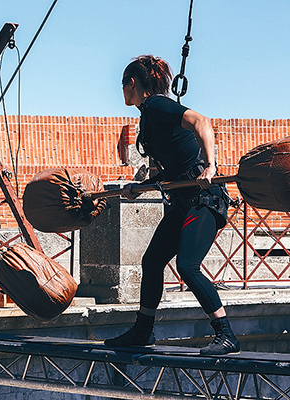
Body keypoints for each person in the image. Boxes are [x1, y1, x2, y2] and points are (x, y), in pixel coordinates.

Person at [104, 55, 239, 355]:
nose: (122, 91)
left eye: (123, 84)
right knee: (152, 261)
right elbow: (170, 169)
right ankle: (142, 331)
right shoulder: (146, 114)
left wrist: (211, 167)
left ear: (133, 82)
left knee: (187, 266)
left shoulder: (156, 105)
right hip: (183, 201)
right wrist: (139, 188)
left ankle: (226, 334)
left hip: (204, 199)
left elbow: (200, 121)